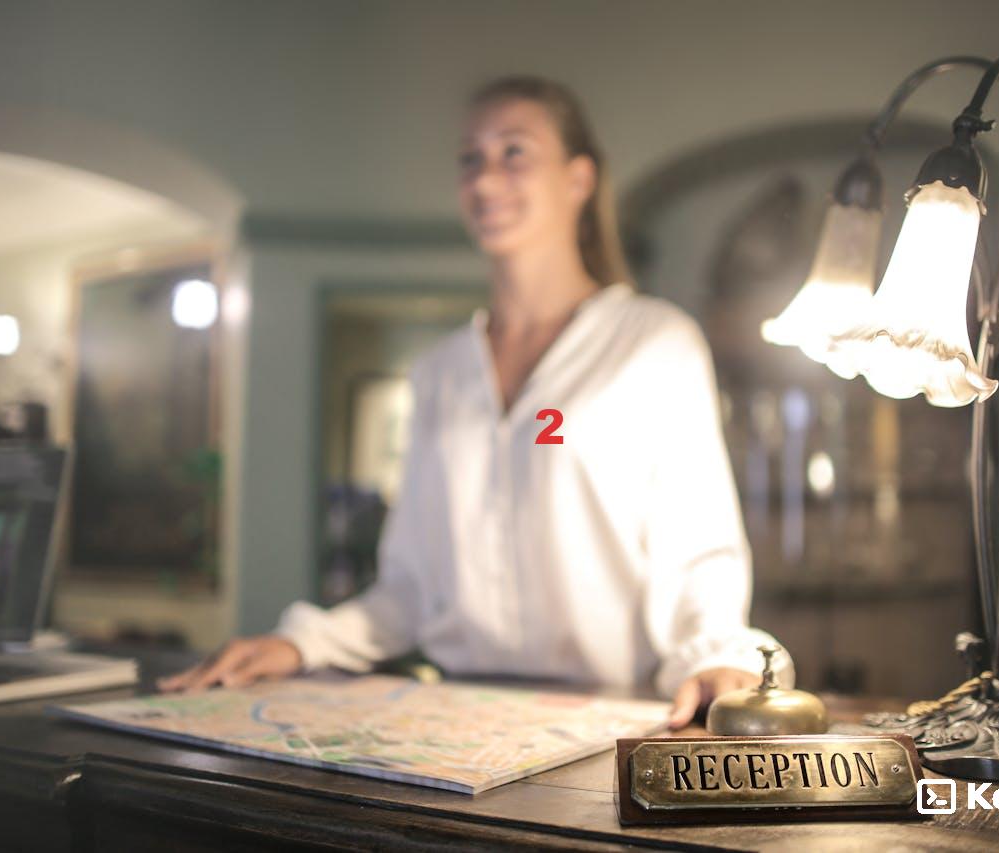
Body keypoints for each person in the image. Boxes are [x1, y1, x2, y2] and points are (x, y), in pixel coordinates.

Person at [160, 75, 793, 728]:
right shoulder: (439, 373)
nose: (486, 180)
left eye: (514, 152)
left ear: (579, 178)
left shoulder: (652, 342)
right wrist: (302, 643)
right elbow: (409, 588)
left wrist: (717, 656)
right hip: (456, 720)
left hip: (608, 717)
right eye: (470, 158)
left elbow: (698, 549)